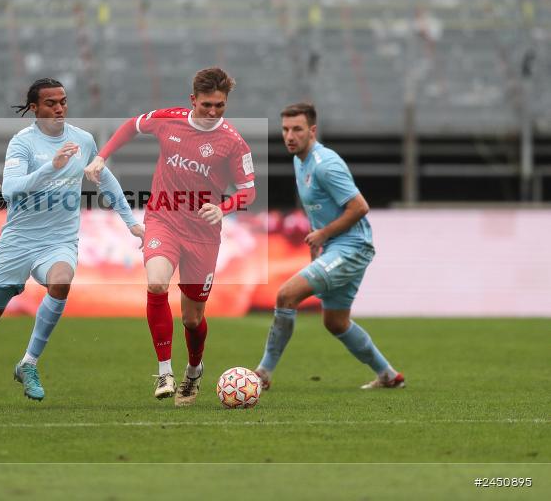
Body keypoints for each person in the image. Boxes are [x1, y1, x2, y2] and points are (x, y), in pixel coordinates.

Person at [0, 78, 143, 407]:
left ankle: (28, 363)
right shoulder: (22, 144)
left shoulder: (82, 140)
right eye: (50, 103)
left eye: (63, 101)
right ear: (34, 108)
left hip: (58, 241)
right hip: (17, 242)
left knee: (61, 282)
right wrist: (51, 166)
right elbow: (11, 189)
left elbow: (105, 178)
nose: (59, 108)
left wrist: (131, 223)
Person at [84, 67, 256, 406]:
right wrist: (101, 158)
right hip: (163, 218)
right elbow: (132, 125)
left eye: (219, 106)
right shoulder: (168, 120)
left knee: (193, 319)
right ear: (193, 100)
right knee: (157, 284)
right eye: (206, 105)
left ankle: (193, 371)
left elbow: (248, 191)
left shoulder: (234, 142)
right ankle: (165, 371)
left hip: (203, 234)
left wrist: (224, 207)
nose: (212, 112)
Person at [253, 102, 405, 390]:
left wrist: (323, 234)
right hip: (337, 248)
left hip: (352, 248)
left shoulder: (326, 165)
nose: (289, 136)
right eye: (285, 129)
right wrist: (318, 238)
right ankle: (388, 376)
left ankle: (263, 372)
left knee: (286, 295)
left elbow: (360, 207)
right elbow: (319, 208)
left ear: (312, 131)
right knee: (335, 322)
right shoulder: (300, 160)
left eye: (297, 129)